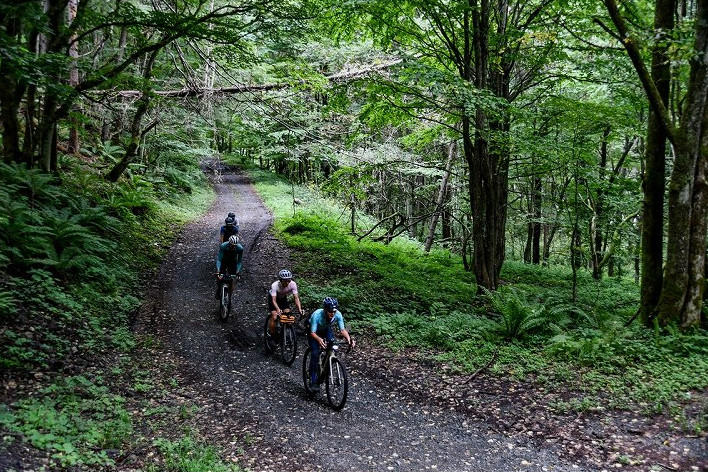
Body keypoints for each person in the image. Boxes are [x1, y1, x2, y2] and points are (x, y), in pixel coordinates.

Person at [307, 297, 354, 391]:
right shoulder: (317, 315)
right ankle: (313, 379)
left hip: (325, 329)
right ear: (325, 309)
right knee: (315, 352)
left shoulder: (338, 314)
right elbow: (312, 333)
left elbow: (342, 329)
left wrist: (349, 339)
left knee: (332, 346)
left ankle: (325, 364)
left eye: (334, 311)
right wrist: (319, 339)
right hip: (313, 332)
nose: (332, 313)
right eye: (330, 311)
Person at [267, 269, 303, 335]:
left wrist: (299, 309)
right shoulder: (275, 285)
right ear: (280, 280)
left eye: (288, 280)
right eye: (285, 281)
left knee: (287, 315)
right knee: (274, 316)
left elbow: (296, 298)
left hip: (283, 298)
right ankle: (272, 334)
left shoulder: (293, 284)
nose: (287, 283)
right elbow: (274, 300)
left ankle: (283, 329)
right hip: (273, 299)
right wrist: (277, 309)